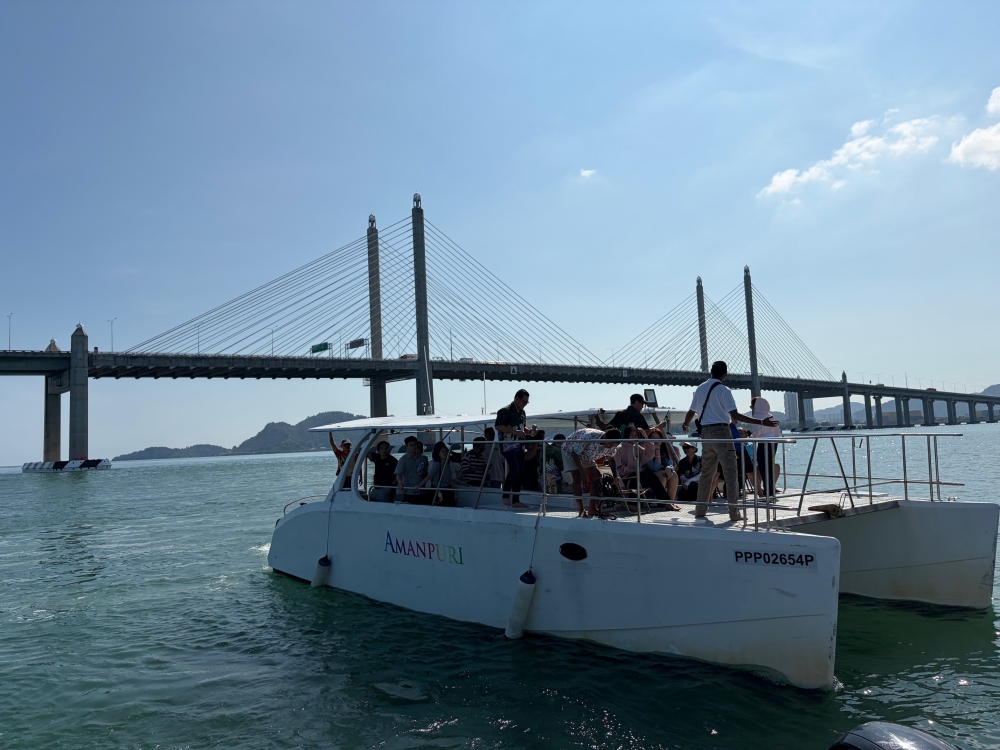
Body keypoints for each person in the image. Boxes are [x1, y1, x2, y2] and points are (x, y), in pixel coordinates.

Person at [681, 361, 777, 521]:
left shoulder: (700, 388)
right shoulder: (724, 390)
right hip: (721, 432)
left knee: (706, 473)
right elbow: (736, 416)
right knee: (731, 473)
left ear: (711, 371)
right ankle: (734, 513)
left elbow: (691, 412)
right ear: (725, 374)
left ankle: (700, 510)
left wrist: (685, 425)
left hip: (705, 433)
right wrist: (762, 422)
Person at [612, 426, 680, 510]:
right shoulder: (619, 449)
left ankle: (667, 503)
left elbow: (649, 455)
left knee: (652, 477)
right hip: (627, 478)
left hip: (638, 476)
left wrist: (645, 437)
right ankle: (665, 503)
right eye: (632, 435)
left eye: (636, 435)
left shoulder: (637, 447)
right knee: (648, 475)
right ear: (627, 435)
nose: (634, 437)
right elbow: (620, 469)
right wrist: (634, 470)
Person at [561, 427, 622, 517]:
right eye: (610, 444)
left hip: (587, 455)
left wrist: (615, 477)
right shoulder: (588, 437)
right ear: (604, 437)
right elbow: (575, 454)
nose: (611, 447)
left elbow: (611, 460)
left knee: (597, 477)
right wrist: (582, 472)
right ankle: (581, 510)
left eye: (614, 445)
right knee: (577, 478)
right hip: (571, 452)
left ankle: (592, 508)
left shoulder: (612, 445)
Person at [495, 389, 536, 508]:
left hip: (519, 446)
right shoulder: (504, 411)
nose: (525, 404)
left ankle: (516, 499)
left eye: (527, 402)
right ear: (516, 398)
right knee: (515, 469)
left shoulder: (522, 413)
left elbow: (521, 427)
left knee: (520, 471)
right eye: (524, 401)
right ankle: (505, 496)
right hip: (508, 445)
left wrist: (528, 431)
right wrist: (514, 431)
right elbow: (498, 426)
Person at [750, 396, 781, 498]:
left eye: (752, 406)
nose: (751, 408)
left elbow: (756, 432)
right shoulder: (770, 415)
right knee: (770, 466)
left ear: (756, 405)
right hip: (773, 441)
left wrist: (751, 437)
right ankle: (771, 490)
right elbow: (777, 432)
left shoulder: (756, 416)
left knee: (763, 467)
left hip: (763, 442)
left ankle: (767, 492)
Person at [597, 393, 666, 433]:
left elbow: (609, 428)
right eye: (642, 404)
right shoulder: (638, 416)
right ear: (636, 403)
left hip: (620, 447)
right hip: (635, 447)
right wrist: (658, 427)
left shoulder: (620, 414)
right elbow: (646, 431)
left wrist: (601, 424)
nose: (643, 407)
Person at [418, 441, 457, 506]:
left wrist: (455, 493)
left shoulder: (448, 463)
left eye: (446, 451)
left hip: (447, 489)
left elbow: (450, 480)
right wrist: (419, 486)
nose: (445, 453)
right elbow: (429, 476)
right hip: (438, 489)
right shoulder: (436, 464)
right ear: (438, 453)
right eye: (442, 451)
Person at [394, 436, 426, 503]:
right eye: (411, 445)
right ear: (407, 447)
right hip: (409, 490)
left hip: (422, 490)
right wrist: (400, 482)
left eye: (415, 444)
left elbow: (427, 473)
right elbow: (398, 473)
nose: (413, 447)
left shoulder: (423, 458)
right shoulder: (403, 460)